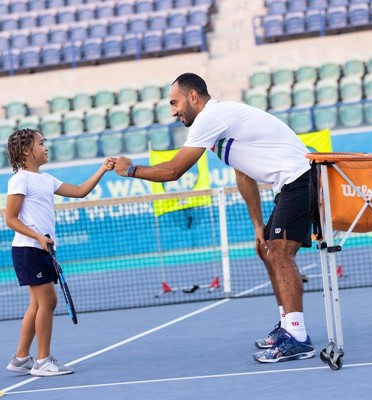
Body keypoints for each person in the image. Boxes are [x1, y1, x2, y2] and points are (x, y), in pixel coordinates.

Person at [114, 72, 315, 363]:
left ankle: (297, 337)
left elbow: (173, 171)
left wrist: (131, 170)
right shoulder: (219, 123)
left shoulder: (210, 117)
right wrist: (258, 225)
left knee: (281, 253)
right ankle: (287, 326)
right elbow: (243, 175)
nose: (173, 112)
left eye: (175, 103)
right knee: (269, 250)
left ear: (193, 96)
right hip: (291, 184)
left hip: (301, 179)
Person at [5, 128, 115, 376]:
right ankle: (42, 361)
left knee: (37, 304)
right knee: (48, 302)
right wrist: (38, 237)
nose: (45, 147)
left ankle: (21, 358)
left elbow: (80, 191)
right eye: (40, 143)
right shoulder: (20, 179)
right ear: (26, 150)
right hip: (29, 249)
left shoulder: (46, 179)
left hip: (41, 248)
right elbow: (10, 218)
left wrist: (102, 169)